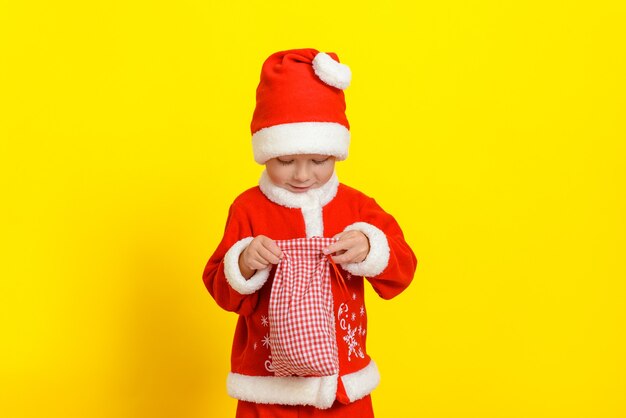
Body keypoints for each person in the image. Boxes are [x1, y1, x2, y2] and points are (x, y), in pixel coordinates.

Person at [202, 48, 418, 418]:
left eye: (318, 161)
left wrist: (370, 246)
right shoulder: (248, 208)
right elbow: (221, 290)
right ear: (265, 151)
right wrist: (243, 262)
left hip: (344, 385)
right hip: (267, 388)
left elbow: (404, 268)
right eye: (285, 161)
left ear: (336, 152)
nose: (302, 175)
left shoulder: (356, 207)